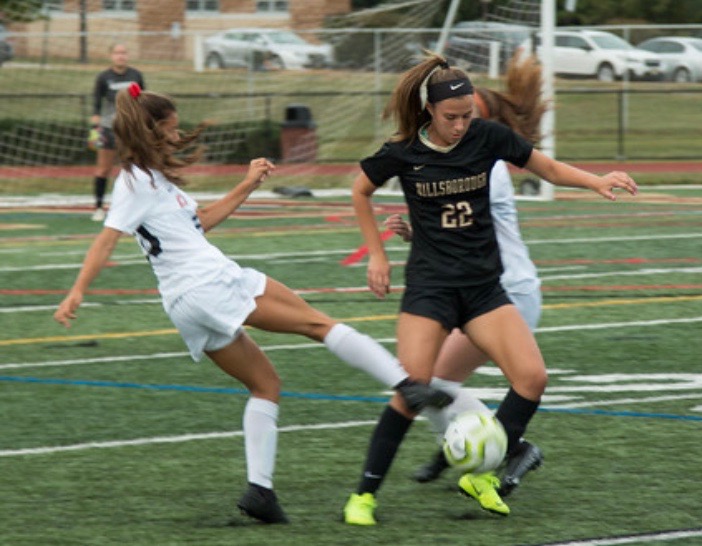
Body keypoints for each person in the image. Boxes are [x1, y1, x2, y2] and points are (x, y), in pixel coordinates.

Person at [54, 84, 451, 525]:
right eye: (171, 127)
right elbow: (107, 239)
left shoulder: (154, 182)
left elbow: (198, 224)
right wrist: (77, 290)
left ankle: (260, 490)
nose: (177, 133)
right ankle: (406, 386)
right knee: (318, 325)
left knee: (266, 384)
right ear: (154, 130)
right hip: (212, 283)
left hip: (185, 302)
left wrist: (246, 184)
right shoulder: (134, 180)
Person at [342, 52, 638, 525]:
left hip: (484, 290)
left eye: (467, 116)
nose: (460, 126)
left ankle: (481, 472)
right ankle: (363, 497)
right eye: (451, 118)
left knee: (532, 378)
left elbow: (549, 168)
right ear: (430, 112)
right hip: (431, 291)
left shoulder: (490, 138)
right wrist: (377, 254)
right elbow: (360, 190)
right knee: (414, 388)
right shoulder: (403, 152)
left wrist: (596, 180)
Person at [383, 54, 547, 497]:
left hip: (501, 290)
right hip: (478, 285)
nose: (454, 126)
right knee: (429, 381)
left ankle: (509, 447)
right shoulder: (463, 159)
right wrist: (414, 232)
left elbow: (465, 221)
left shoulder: (483, 164)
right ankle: (470, 447)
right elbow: (454, 226)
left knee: (430, 383)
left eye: (465, 116)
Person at [89, 43, 145, 221]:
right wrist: (94, 132)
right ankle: (98, 207)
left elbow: (142, 100)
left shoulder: (135, 75)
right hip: (108, 128)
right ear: (111, 56)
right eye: (117, 53)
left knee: (132, 168)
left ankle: (131, 207)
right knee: (103, 169)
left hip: (129, 129)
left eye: (124, 52)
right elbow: (96, 105)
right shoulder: (104, 77)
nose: (121, 56)